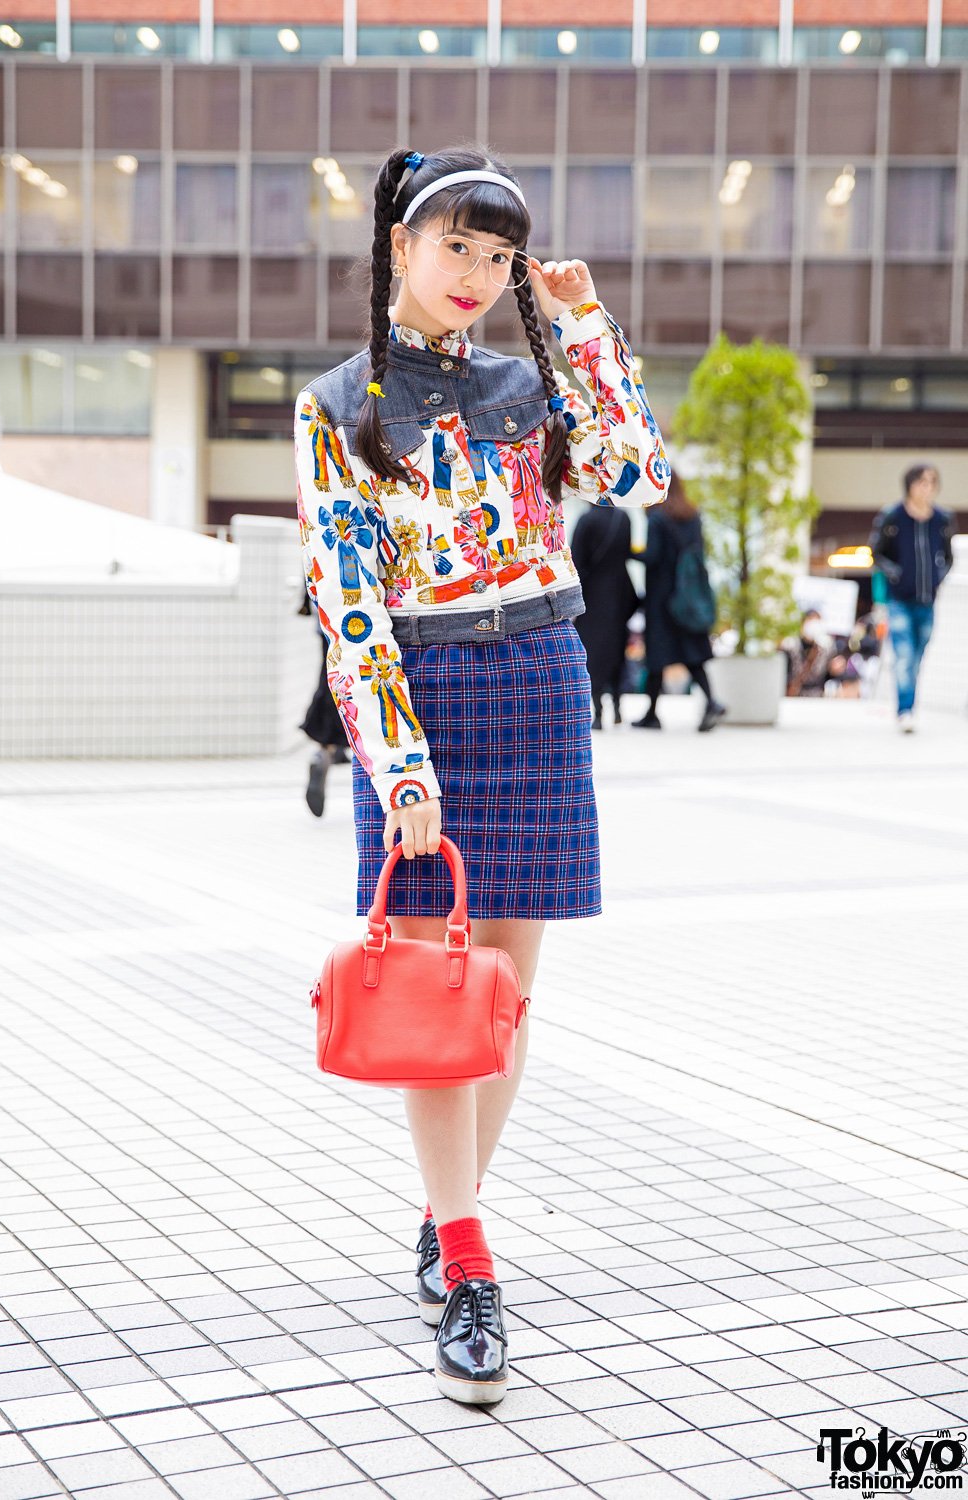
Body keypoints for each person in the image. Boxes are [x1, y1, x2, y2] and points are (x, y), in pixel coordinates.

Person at [293, 146, 670, 1405]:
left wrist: (579, 323)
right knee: (441, 998)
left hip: (544, 681)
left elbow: (634, 472)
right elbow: (350, 608)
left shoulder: (529, 378)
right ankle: (466, 1263)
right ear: (398, 244)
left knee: (498, 997)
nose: (477, 274)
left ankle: (446, 1219)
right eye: (456, 245)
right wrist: (397, 765)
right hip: (432, 701)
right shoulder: (338, 406)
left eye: (497, 255)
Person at [631, 469, 725, 732]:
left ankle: (652, 714)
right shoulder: (693, 516)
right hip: (688, 599)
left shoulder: (657, 519)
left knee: (658, 657)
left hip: (662, 601)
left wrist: (629, 552)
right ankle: (709, 702)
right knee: (692, 656)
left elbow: (653, 556)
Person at [869, 463, 955, 732]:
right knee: (904, 654)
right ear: (910, 485)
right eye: (921, 482)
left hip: (928, 599)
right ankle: (905, 710)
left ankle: (908, 705)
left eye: (932, 482)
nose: (927, 488)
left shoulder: (942, 519)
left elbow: (948, 556)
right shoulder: (893, 516)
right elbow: (877, 552)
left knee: (917, 656)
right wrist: (896, 574)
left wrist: (938, 577)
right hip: (899, 599)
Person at [570, 505, 639, 729]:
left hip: (592, 597)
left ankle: (598, 712)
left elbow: (576, 562)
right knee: (617, 651)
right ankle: (618, 706)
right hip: (620, 595)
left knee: (593, 653)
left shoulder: (586, 520)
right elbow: (626, 553)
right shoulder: (624, 518)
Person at [299, 621, 351, 818]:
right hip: (360, 620)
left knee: (332, 677)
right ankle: (330, 750)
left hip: (328, 619)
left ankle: (326, 752)